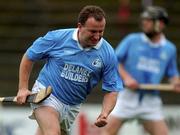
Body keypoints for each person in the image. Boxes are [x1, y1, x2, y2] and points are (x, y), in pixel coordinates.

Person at [16, 5, 123, 135]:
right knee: (52, 133)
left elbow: (112, 89)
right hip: (46, 95)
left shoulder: (108, 53)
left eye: (101, 31)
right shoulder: (57, 38)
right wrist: (22, 88)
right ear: (80, 26)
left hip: (73, 106)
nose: (97, 36)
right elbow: (29, 56)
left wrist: (105, 113)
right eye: (93, 31)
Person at [102, 6, 180, 135]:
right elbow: (114, 61)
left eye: (149, 20)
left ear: (160, 24)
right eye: (144, 20)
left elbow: (172, 72)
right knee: (106, 132)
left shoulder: (169, 48)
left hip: (151, 101)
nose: (144, 23)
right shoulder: (132, 40)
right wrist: (127, 78)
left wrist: (176, 82)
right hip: (127, 97)